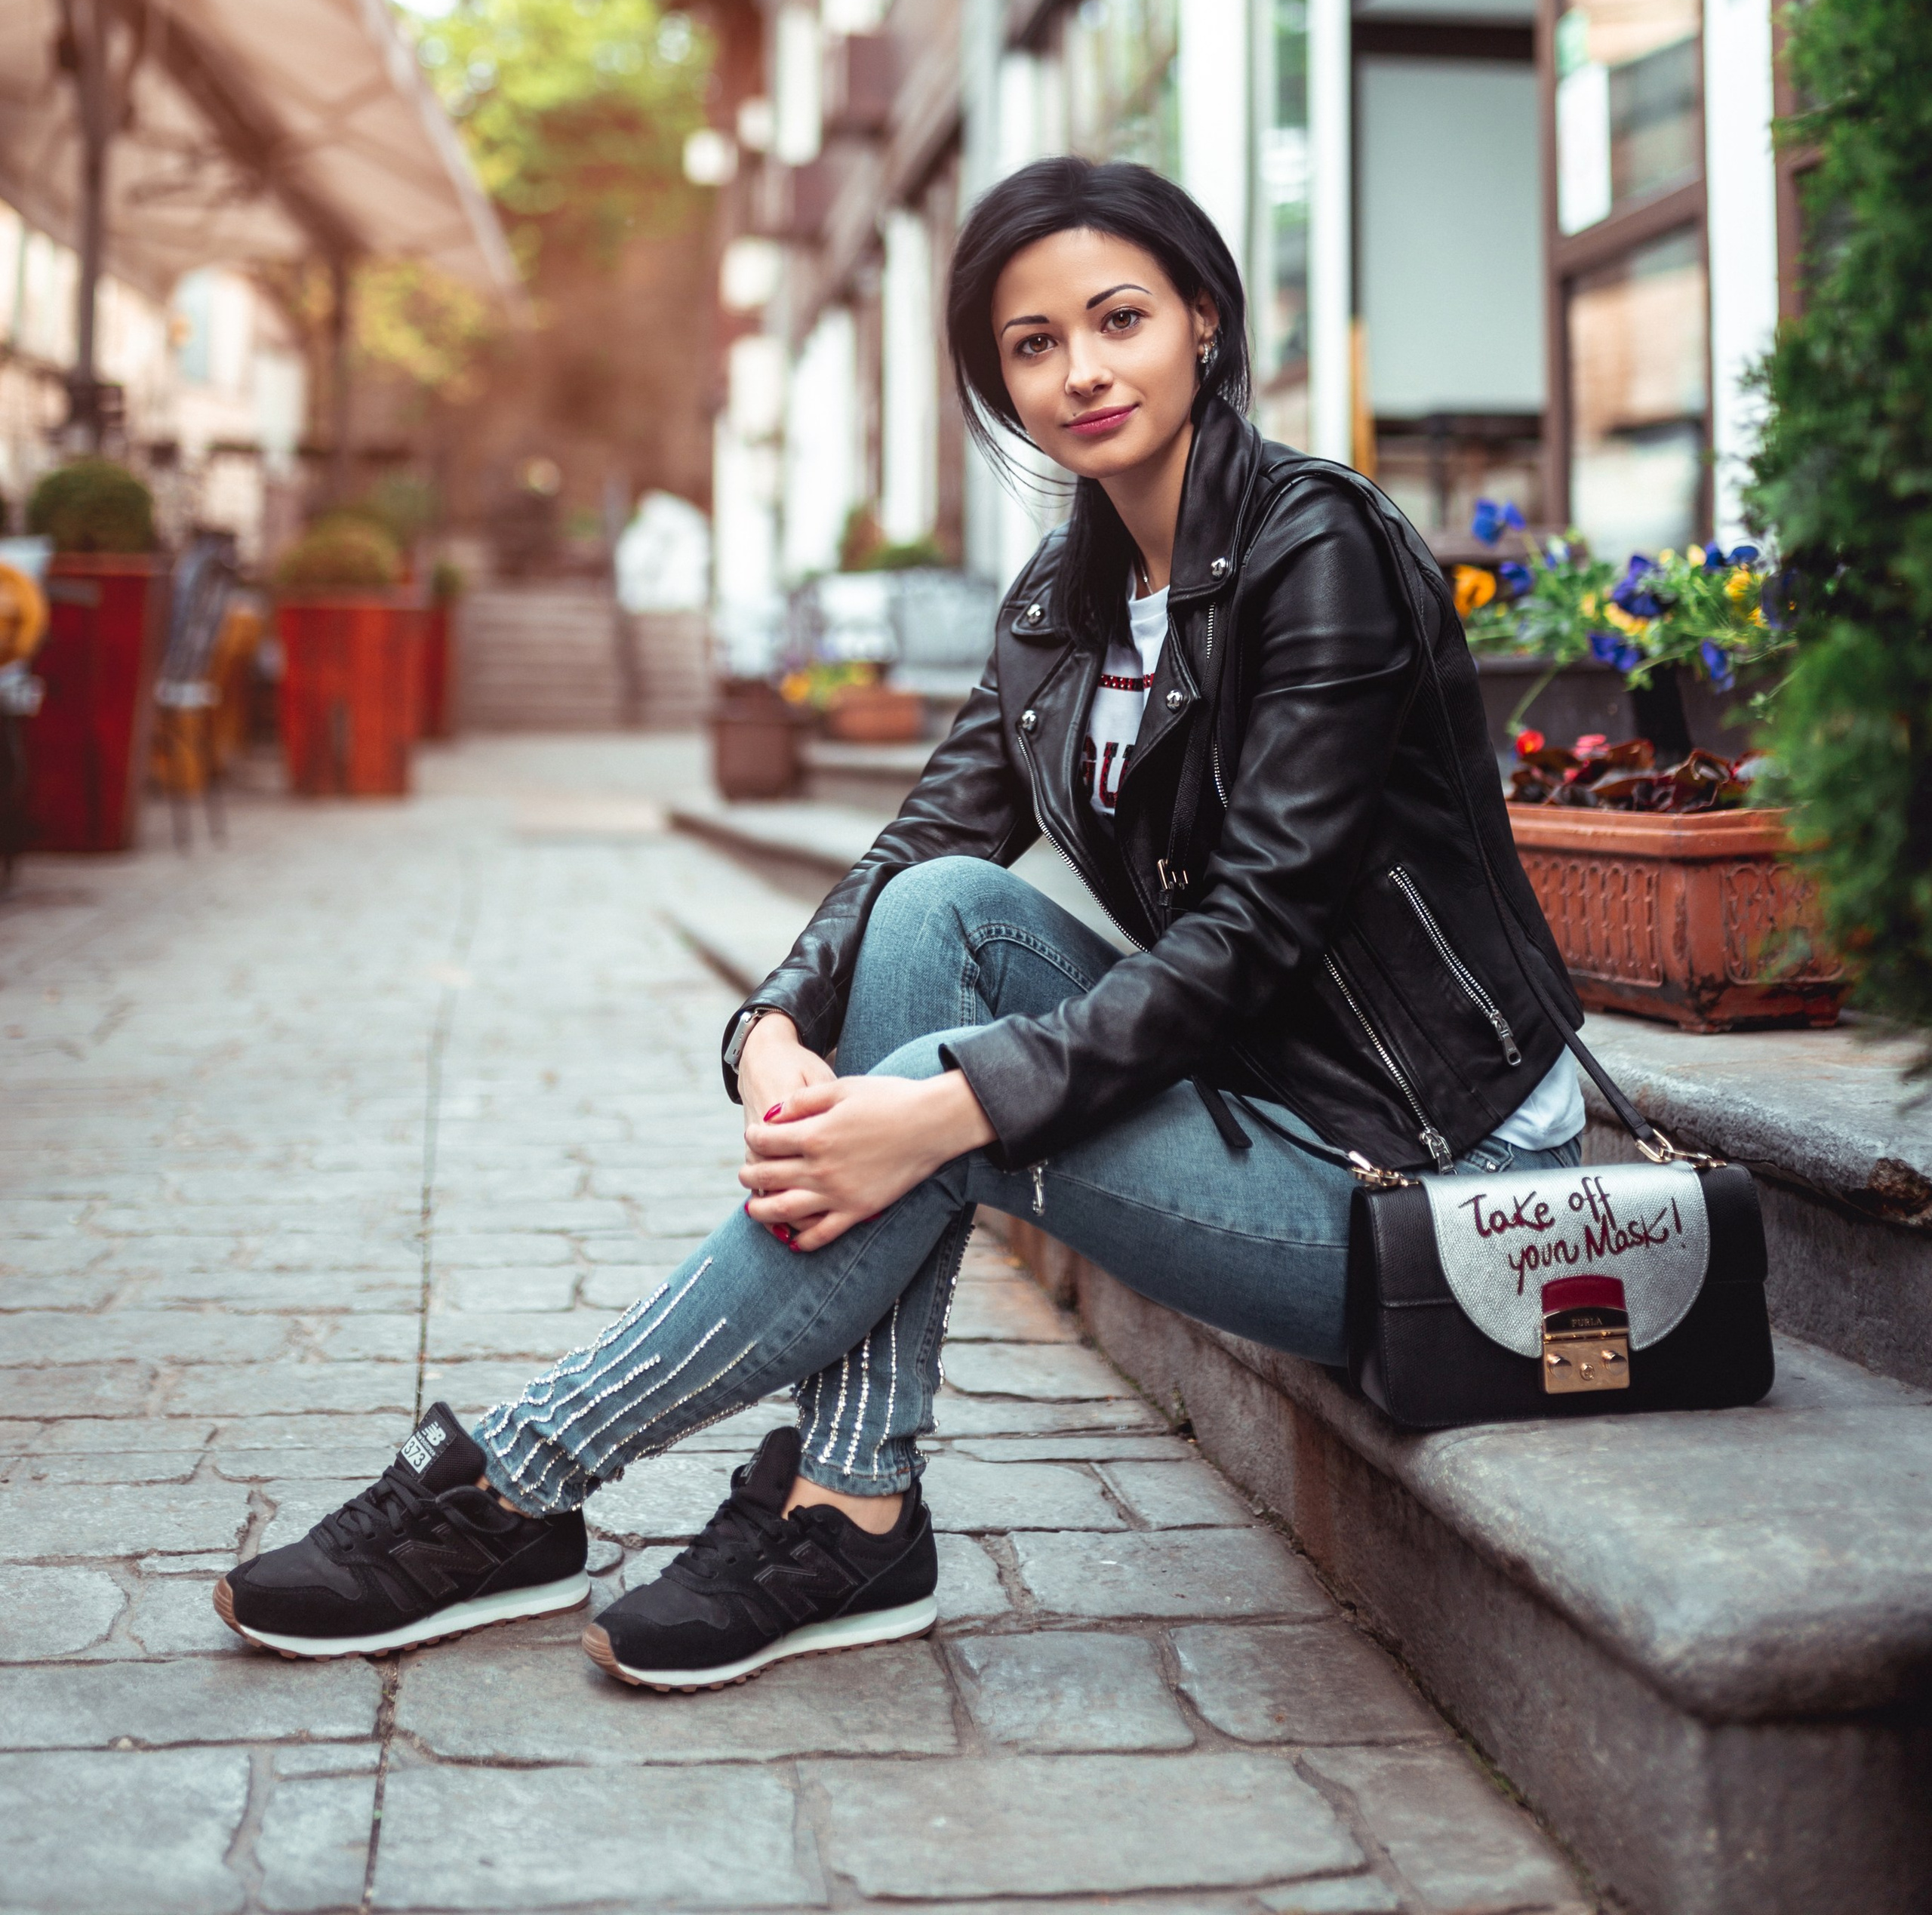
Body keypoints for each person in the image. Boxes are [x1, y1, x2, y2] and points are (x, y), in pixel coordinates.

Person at [216, 157, 1585, 1691]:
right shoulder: (1058, 605)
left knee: (944, 1093)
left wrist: (941, 1106)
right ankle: (854, 1494)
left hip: (1420, 1174)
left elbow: (1254, 930)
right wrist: (777, 1025)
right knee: (938, 915)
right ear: (996, 379)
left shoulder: (1311, 552)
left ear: (1201, 319)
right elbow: (922, 844)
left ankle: (524, 1475)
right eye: (1031, 344)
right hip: (1255, 1090)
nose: (1080, 371)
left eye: (1116, 319)